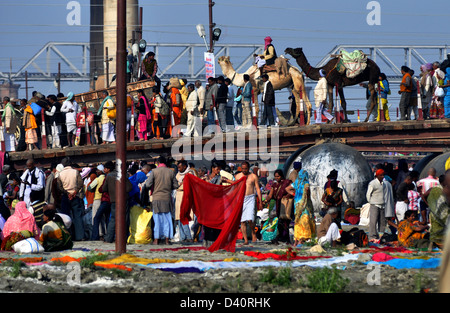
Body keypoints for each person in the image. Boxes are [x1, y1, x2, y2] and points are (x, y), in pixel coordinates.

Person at [144, 156, 178, 245]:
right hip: (167, 198)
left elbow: (148, 184)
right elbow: (176, 185)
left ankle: (156, 240)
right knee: (167, 219)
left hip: (157, 198)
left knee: (157, 219)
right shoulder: (171, 172)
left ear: (158, 162)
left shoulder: (154, 171)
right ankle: (167, 239)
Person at [100, 160, 132, 243]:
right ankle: (122, 239)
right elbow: (129, 188)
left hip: (114, 200)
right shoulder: (123, 175)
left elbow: (104, 189)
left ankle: (109, 238)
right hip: (124, 200)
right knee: (124, 219)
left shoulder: (109, 176)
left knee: (113, 219)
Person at [56, 157, 85, 241]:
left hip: (66, 197)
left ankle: (67, 237)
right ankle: (80, 236)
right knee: (77, 217)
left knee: (65, 217)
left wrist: (67, 193)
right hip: (75, 196)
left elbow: (60, 187)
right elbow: (80, 183)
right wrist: (74, 192)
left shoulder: (60, 174)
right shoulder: (75, 172)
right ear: (70, 163)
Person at [234, 161, 263, 245]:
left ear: (248, 168)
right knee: (242, 221)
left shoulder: (253, 176)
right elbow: (235, 188)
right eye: (242, 169)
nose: (244, 170)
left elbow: (257, 189)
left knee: (250, 219)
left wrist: (260, 202)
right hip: (241, 198)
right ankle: (245, 240)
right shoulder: (238, 176)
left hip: (251, 198)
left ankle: (253, 233)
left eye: (245, 169)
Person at [263, 169, 292, 244]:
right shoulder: (274, 185)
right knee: (280, 221)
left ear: (281, 176)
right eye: (275, 176)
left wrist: (287, 196)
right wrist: (266, 201)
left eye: (278, 176)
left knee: (285, 221)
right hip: (278, 205)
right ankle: (280, 237)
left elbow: (292, 191)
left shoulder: (287, 182)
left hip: (285, 204)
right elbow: (270, 195)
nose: (276, 178)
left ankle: (286, 239)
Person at [174, 160, 196, 243]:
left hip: (185, 196)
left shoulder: (190, 174)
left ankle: (188, 236)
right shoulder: (178, 174)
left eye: (180, 167)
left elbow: (184, 185)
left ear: (184, 166)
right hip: (178, 196)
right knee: (179, 218)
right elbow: (176, 184)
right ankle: (183, 237)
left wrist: (179, 185)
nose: (178, 169)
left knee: (184, 216)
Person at [366, 169, 387, 241]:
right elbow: (368, 194)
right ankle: (372, 236)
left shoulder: (384, 184)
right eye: (381, 175)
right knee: (373, 221)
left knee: (382, 222)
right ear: (377, 176)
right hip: (375, 204)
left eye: (383, 175)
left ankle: (381, 235)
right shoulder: (373, 183)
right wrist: (371, 202)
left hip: (382, 205)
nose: (382, 176)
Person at [88, 164, 107, 241]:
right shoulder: (106, 178)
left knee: (95, 217)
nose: (96, 171)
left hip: (97, 199)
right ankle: (105, 232)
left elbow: (89, 187)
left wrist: (94, 190)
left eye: (98, 170)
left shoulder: (98, 179)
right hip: (104, 200)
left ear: (100, 171)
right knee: (103, 217)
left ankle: (99, 234)